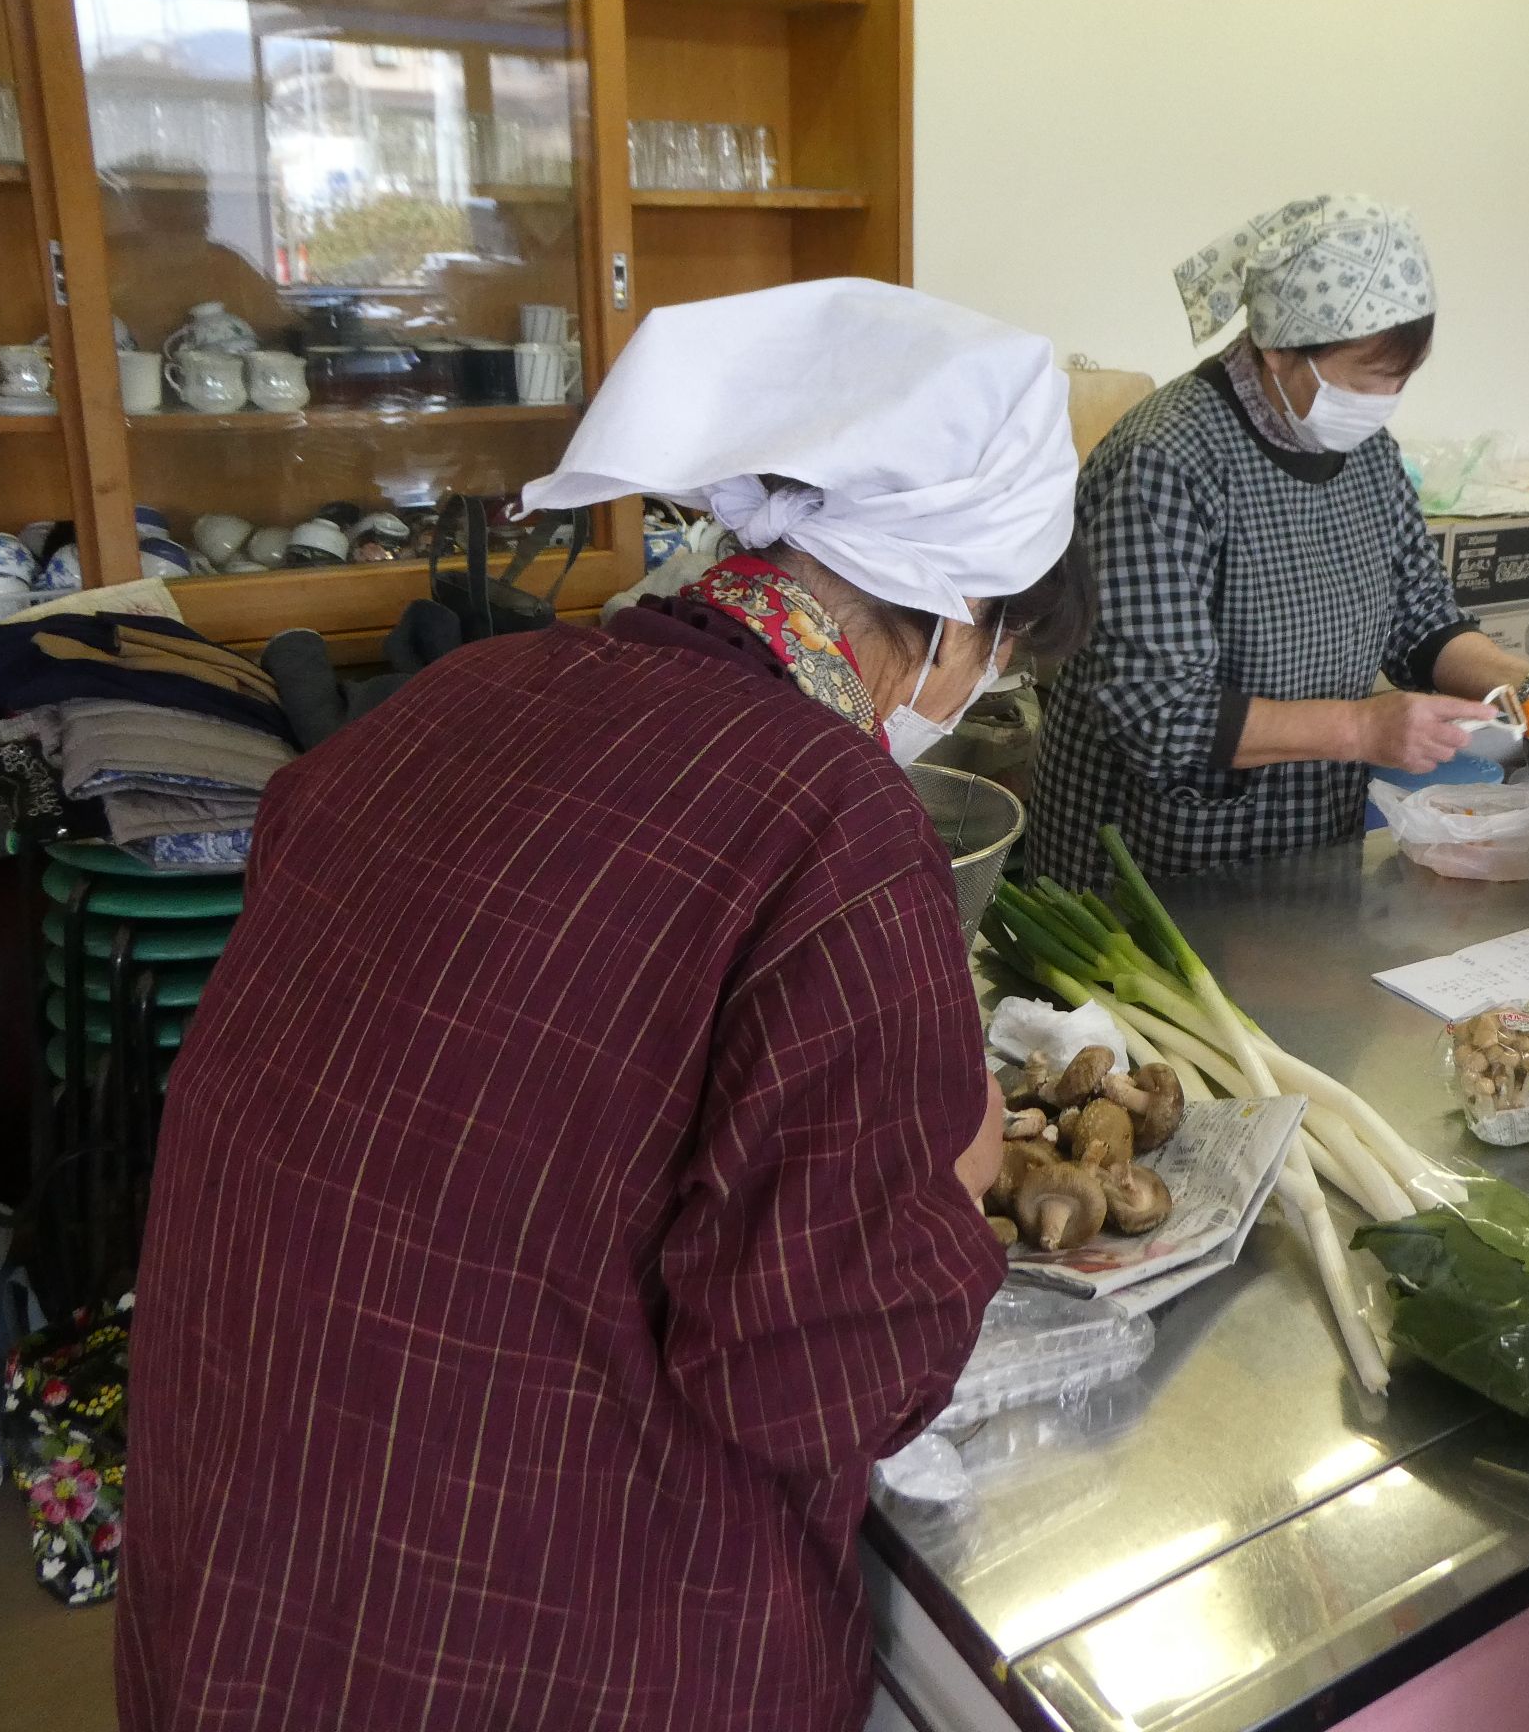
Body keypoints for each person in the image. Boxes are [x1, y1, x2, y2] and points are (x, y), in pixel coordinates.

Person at [115, 280, 1090, 1731]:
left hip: (234, 1583)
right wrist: (954, 1188)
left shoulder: (461, 696)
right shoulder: (834, 821)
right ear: (958, 618)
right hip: (521, 1638)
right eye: (999, 652)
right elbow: (813, 1376)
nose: (981, 683)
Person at [1027, 193, 1529, 884]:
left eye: (1400, 381)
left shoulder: (1368, 457)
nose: (1383, 403)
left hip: (1307, 847)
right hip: (1152, 867)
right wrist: (1361, 730)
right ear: (1280, 349)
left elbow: (1424, 623)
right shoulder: (1164, 461)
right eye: (1369, 380)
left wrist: (1528, 685)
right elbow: (1158, 716)